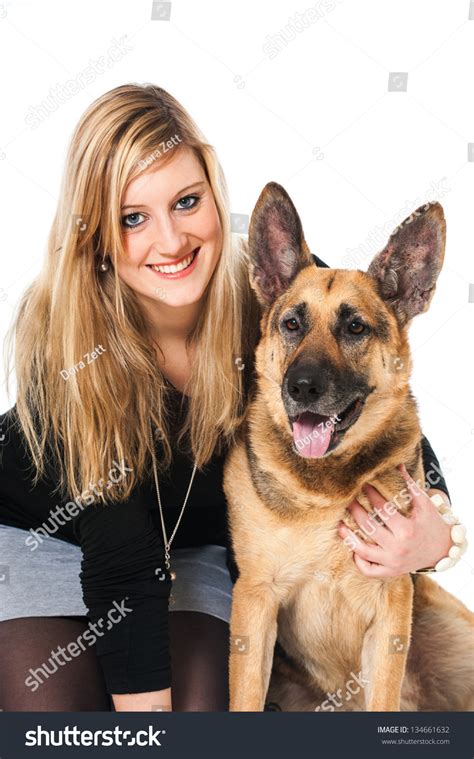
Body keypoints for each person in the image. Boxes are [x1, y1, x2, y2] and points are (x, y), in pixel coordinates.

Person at [0, 84, 456, 712]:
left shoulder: (282, 295)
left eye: (187, 202)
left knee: (206, 723)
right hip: (44, 538)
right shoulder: (71, 340)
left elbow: (386, 411)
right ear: (97, 234)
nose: (171, 240)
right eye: (133, 217)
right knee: (69, 727)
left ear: (215, 194)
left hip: (190, 547)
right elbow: (122, 559)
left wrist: (435, 531)